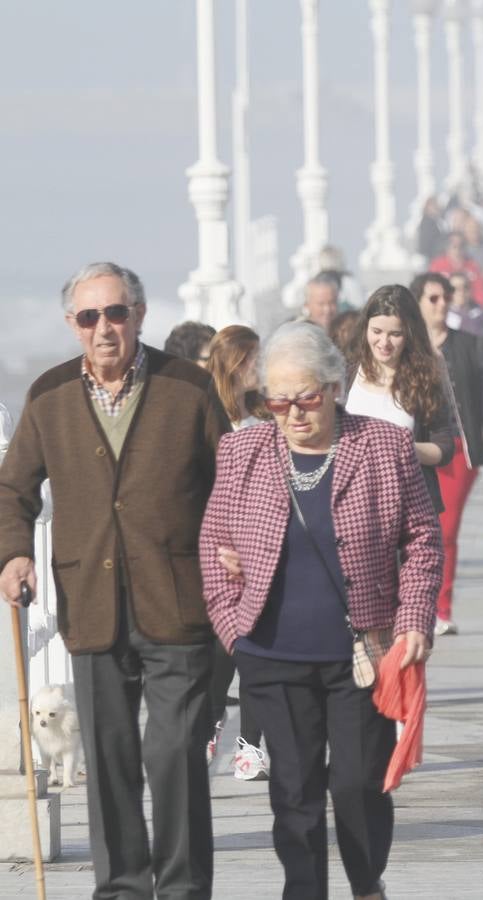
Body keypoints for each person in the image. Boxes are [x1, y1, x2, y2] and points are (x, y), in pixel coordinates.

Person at [0, 261, 230, 898]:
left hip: (178, 598)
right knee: (106, 758)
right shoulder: (47, 397)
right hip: (90, 602)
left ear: (140, 315)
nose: (105, 328)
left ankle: (183, 890)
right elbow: (12, 489)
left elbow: (232, 482)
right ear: (73, 326)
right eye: (90, 316)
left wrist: (233, 550)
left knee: (175, 752)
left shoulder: (189, 387)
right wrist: (14, 553)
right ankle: (123, 888)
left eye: (117, 312)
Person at [199, 322, 439, 898]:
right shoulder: (242, 450)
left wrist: (414, 620)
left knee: (357, 786)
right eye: (276, 402)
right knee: (294, 792)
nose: (292, 414)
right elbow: (212, 544)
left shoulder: (383, 446)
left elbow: (423, 538)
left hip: (360, 653)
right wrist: (235, 632)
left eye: (305, 398)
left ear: (333, 387)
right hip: (270, 655)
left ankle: (365, 882)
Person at [414, 272, 483, 636]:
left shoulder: (467, 344)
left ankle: (442, 608)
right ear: (418, 302)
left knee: (445, 528)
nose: (441, 305)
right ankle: (418, 604)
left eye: (445, 297)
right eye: (433, 298)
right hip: (417, 449)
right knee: (421, 532)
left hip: (458, 448)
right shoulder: (407, 347)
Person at [202, 325, 272, 780]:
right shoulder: (206, 414)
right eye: (251, 360)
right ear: (233, 364)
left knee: (256, 658)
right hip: (216, 551)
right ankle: (210, 726)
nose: (258, 368)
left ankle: (249, 748)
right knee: (218, 657)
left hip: (262, 550)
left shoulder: (268, 414)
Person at [346, 285, 457, 513]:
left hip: (408, 508)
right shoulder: (347, 372)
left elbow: (444, 448)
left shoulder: (425, 380)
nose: (384, 342)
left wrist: (398, 447)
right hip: (353, 505)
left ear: (409, 334)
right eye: (376, 331)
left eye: (395, 334)